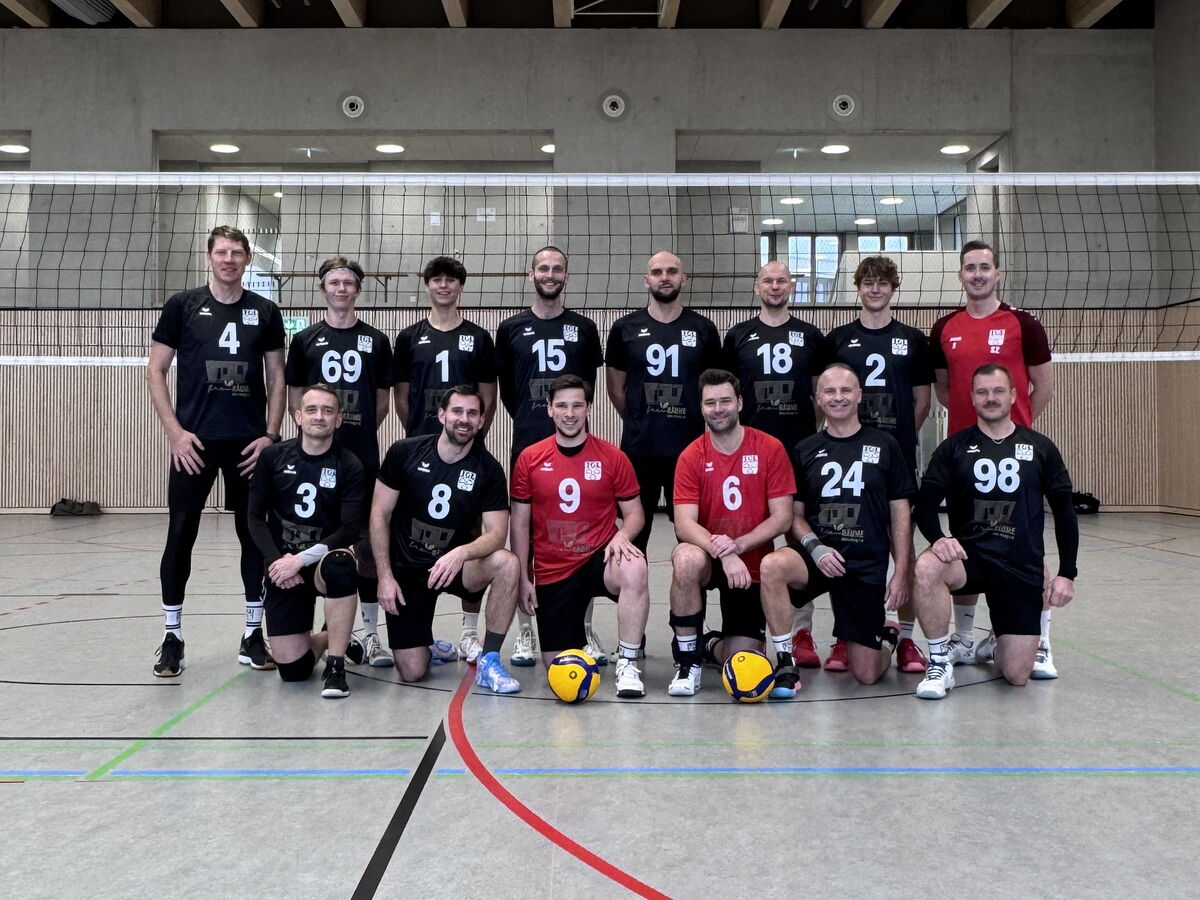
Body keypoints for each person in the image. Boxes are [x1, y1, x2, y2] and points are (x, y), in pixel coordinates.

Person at [146, 224, 285, 677]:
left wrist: (269, 435)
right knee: (180, 534)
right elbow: (156, 371)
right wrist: (175, 434)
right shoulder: (182, 306)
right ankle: (172, 636)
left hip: (248, 445)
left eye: (237, 252)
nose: (229, 259)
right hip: (195, 444)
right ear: (209, 257)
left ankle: (251, 634)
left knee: (254, 536)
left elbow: (277, 378)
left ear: (247, 259)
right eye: (221, 252)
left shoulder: (264, 311)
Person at [930, 240, 1058, 676]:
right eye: (970, 268)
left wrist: (1015, 427)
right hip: (964, 455)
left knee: (1026, 543)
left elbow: (1043, 385)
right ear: (961, 275)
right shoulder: (945, 327)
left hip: (1016, 454)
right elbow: (945, 389)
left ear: (998, 273)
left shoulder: (1024, 323)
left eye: (985, 267)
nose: (978, 274)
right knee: (963, 542)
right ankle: (964, 637)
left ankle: (1041, 640)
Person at [912, 364, 1077, 699]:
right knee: (928, 565)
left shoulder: (1041, 447)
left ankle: (998, 640)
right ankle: (940, 662)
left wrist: (1067, 573)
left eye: (998, 391)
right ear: (972, 398)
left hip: (1019, 564)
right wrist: (939, 539)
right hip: (970, 560)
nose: (990, 398)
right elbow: (925, 504)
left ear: (1014, 395)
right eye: (983, 392)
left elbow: (1064, 511)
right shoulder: (954, 447)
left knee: (1017, 676)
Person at [759, 364, 916, 687]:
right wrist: (815, 549)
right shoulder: (805, 450)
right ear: (818, 398)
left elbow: (900, 513)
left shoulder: (886, 446)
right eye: (830, 391)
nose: (838, 397)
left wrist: (901, 571)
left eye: (846, 390)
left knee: (867, 674)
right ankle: (784, 660)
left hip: (864, 563)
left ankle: (887, 638)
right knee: (772, 565)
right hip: (820, 557)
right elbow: (794, 516)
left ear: (859, 395)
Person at [815, 255, 933, 674]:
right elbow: (827, 395)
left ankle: (905, 638)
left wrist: (893, 443)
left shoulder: (913, 339)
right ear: (858, 288)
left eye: (883, 282)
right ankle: (847, 636)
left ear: (893, 287)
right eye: (868, 282)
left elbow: (922, 401)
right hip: (847, 457)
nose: (875, 289)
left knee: (902, 545)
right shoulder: (838, 338)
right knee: (844, 543)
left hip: (892, 458)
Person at [369, 385, 523, 693]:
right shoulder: (404, 452)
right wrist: (385, 576)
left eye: (472, 413)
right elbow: (379, 514)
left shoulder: (488, 469)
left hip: (454, 567)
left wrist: (461, 553)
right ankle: (428, 647)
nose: (464, 419)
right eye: (457, 411)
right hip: (407, 569)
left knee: (507, 563)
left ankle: (489, 659)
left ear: (481, 421)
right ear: (442, 415)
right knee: (412, 671)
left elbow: (497, 533)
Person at [496, 246, 605, 667]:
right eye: (543, 267)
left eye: (557, 268)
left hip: (577, 449)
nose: (550, 274)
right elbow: (507, 390)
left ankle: (584, 629)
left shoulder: (584, 327)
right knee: (526, 534)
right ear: (531, 273)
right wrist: (532, 420)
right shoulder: (510, 328)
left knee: (580, 535)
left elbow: (588, 385)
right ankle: (526, 632)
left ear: (566, 274)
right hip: (529, 444)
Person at [285, 256, 395, 668]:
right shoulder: (306, 340)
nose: (342, 289)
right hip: (314, 456)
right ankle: (327, 631)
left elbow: (382, 402)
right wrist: (318, 431)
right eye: (334, 282)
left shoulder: (376, 341)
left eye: (349, 282)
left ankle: (368, 636)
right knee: (321, 539)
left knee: (365, 545)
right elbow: (296, 396)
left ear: (358, 290)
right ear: (323, 289)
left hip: (361, 455)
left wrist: (354, 427)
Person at [509, 375, 649, 698]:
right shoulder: (529, 459)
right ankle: (579, 639)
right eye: (561, 406)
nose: (569, 413)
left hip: (600, 556)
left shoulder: (613, 457)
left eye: (576, 405)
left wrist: (622, 536)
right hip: (553, 568)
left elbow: (636, 514)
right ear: (549, 410)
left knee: (635, 566)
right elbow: (519, 525)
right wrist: (523, 578)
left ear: (588, 409)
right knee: (558, 670)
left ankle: (628, 662)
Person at [392, 256, 498, 663]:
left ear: (460, 287)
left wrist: (472, 432)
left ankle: (469, 633)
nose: (443, 286)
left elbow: (488, 394)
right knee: (414, 535)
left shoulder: (478, 337)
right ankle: (423, 634)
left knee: (472, 538)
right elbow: (401, 396)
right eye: (436, 280)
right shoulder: (408, 337)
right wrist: (421, 433)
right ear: (427, 286)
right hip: (421, 448)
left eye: (451, 281)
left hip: (468, 450)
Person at [668, 369, 795, 697]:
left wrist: (737, 546)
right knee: (685, 557)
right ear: (701, 407)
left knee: (741, 660)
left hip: (750, 564)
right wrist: (723, 552)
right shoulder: (691, 456)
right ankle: (688, 661)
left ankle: (710, 645)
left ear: (739, 402)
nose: (718, 408)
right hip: (710, 559)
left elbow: (782, 518)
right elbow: (684, 524)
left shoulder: (770, 448)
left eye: (725, 400)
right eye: (710, 402)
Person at [722, 260, 824, 668]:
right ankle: (748, 625)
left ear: (792, 287)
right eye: (768, 280)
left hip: (799, 450)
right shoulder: (739, 336)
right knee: (748, 533)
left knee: (798, 539)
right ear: (756, 286)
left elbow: (822, 395)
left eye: (783, 280)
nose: (776, 286)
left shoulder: (811, 336)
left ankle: (800, 631)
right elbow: (725, 397)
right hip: (750, 455)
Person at [247, 384, 364, 698]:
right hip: (284, 567)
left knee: (342, 564)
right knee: (293, 671)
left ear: (339, 419)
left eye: (328, 411)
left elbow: (350, 529)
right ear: (297, 416)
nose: (320, 417)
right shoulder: (272, 457)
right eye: (312, 410)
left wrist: (300, 560)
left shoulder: (349, 465)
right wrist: (275, 563)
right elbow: (255, 518)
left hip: (319, 564)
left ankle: (336, 666)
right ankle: (330, 636)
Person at [606, 251, 722, 552]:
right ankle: (635, 599)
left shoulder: (704, 329)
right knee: (633, 538)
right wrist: (640, 418)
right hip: (639, 448)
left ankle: (688, 599)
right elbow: (616, 388)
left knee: (693, 540)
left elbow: (712, 392)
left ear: (684, 278)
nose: (665, 277)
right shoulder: (624, 329)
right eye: (657, 272)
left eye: (672, 271)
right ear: (647, 281)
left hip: (689, 450)